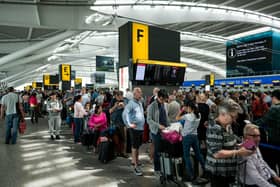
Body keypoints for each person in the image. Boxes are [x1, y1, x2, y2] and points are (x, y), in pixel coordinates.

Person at [206, 101, 254, 187]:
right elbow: (217, 153)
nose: (234, 120)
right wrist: (238, 152)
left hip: (227, 171)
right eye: (232, 117)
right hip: (219, 173)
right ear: (223, 114)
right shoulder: (215, 128)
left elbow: (232, 141)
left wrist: (248, 144)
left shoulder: (227, 125)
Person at [176, 101, 205, 181]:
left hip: (186, 137)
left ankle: (191, 174)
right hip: (195, 136)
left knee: (187, 156)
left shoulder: (188, 116)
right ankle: (205, 168)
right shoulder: (199, 115)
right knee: (198, 154)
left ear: (190, 108)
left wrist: (182, 110)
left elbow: (177, 118)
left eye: (187, 107)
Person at [254, 89, 280, 172]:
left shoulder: (274, 109)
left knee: (271, 162)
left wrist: (250, 123)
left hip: (275, 139)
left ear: (274, 97)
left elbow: (263, 121)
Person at [122, 87, 145, 176]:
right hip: (134, 129)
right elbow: (124, 114)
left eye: (141, 92)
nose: (141, 94)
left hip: (140, 128)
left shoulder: (139, 102)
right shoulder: (131, 104)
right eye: (139, 93)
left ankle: (136, 161)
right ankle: (135, 166)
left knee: (137, 146)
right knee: (135, 147)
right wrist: (129, 125)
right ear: (135, 94)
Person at [147, 89, 169, 176]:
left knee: (163, 150)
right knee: (157, 151)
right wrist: (158, 125)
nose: (164, 101)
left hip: (164, 131)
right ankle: (157, 169)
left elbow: (166, 117)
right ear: (159, 97)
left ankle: (163, 168)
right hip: (156, 132)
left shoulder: (164, 104)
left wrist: (170, 126)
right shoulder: (152, 106)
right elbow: (149, 120)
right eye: (163, 99)